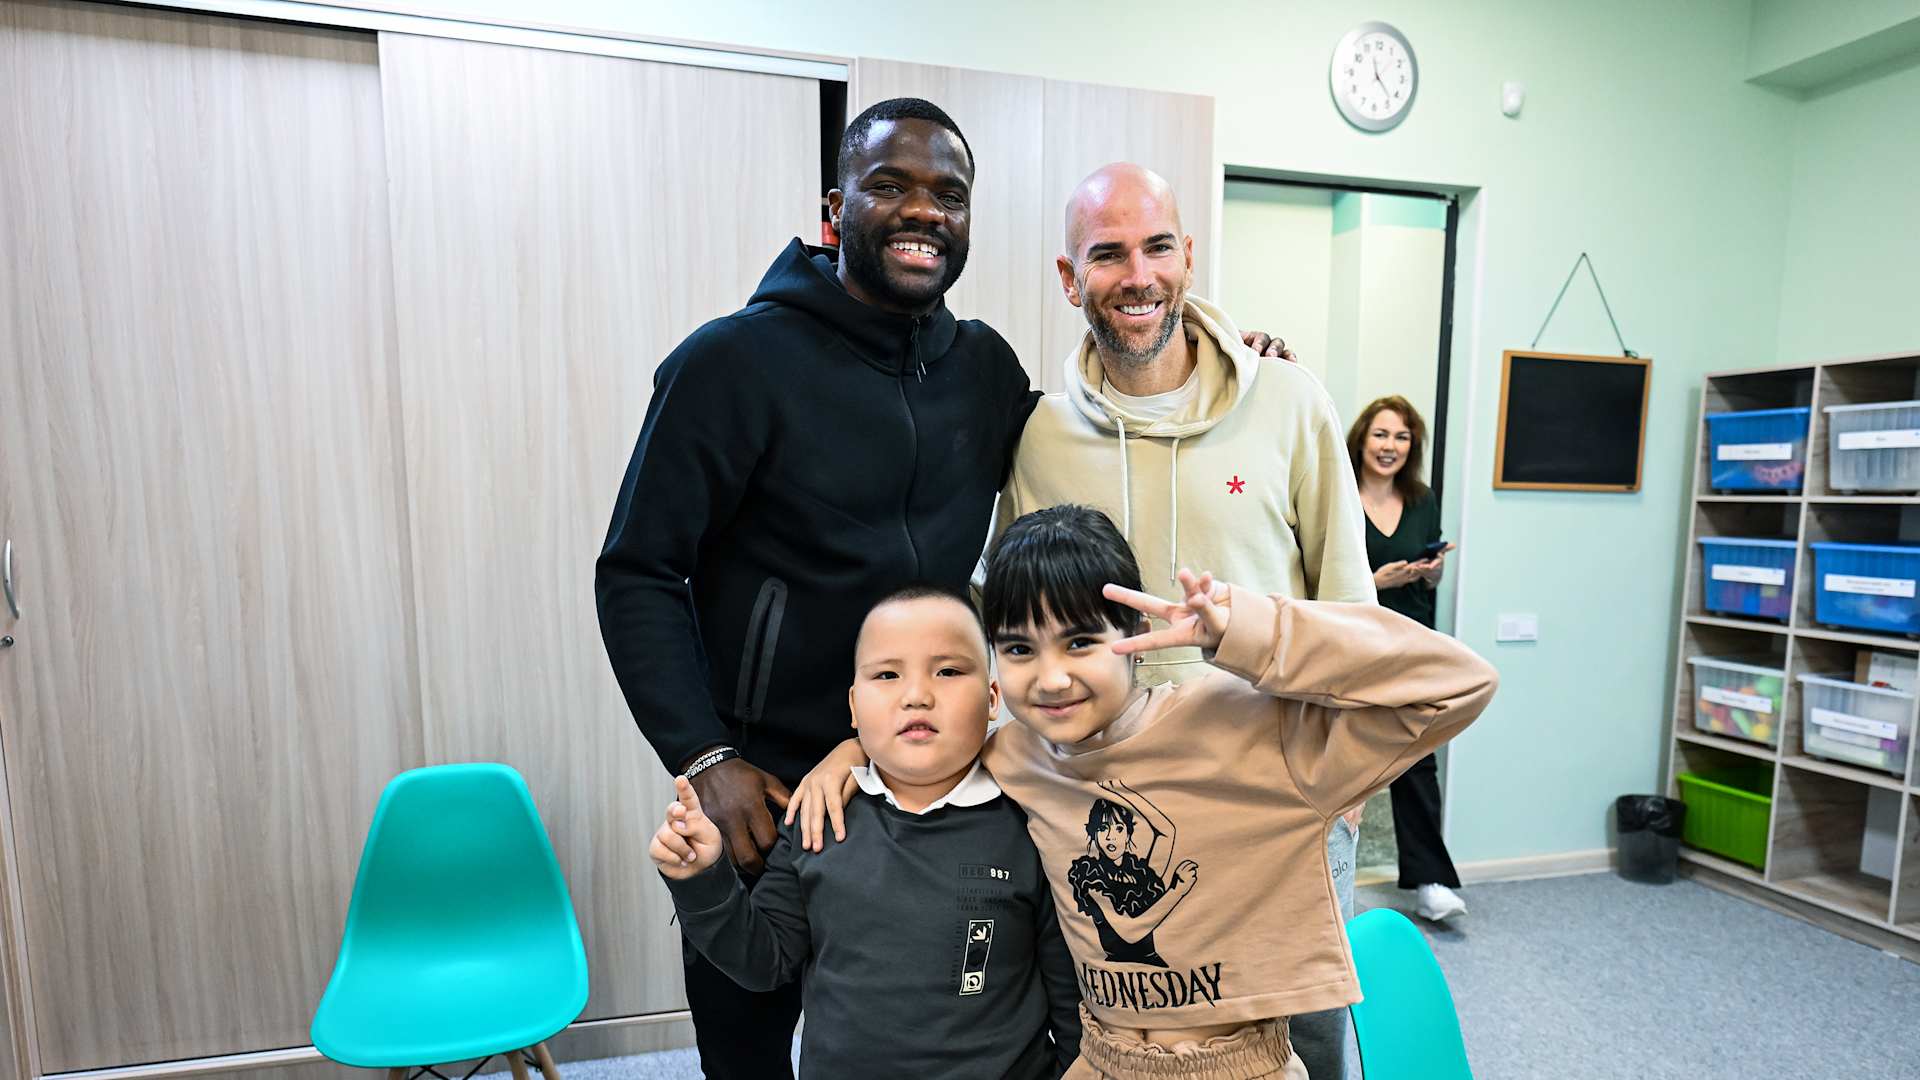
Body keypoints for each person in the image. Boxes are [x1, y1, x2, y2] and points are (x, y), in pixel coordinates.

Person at [596, 97, 1039, 1077]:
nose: (923, 210)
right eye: (891, 186)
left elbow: (1090, 439)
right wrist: (705, 756)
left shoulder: (988, 373)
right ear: (838, 208)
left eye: (948, 195)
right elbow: (636, 570)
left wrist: (1231, 362)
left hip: (928, 790)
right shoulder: (735, 362)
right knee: (752, 1048)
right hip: (765, 796)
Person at [792, 504, 1498, 1079]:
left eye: (1078, 643)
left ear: (1132, 634)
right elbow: (925, 738)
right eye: (1018, 648)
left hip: (1239, 1065)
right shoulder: (1018, 752)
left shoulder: (1245, 728)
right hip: (1100, 1060)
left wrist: (1254, 633)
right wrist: (847, 753)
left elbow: (1459, 685)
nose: (1051, 678)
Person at [992, 162, 1375, 1078]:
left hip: (1272, 792)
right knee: (1122, 1039)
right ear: (1068, 276)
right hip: (1106, 808)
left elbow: (1353, 613)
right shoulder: (1036, 434)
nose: (1138, 275)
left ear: (1188, 255)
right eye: (1108, 254)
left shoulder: (1290, 401)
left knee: (1304, 1040)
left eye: (1158, 246)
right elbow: (1009, 613)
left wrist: (1344, 798)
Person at [649, 584, 1080, 1079]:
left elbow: (1069, 1000)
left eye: (948, 671)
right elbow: (763, 962)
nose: (917, 695)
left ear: (991, 699)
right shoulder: (818, 818)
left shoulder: (1029, 825)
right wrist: (702, 878)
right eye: (888, 674)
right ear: (853, 706)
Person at [1349, 395, 1467, 922]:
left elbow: (1435, 574)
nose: (1390, 446)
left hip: (1413, 640)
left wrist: (1430, 571)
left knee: (1419, 759)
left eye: (1401, 437)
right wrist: (1375, 582)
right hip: (1355, 642)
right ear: (1362, 438)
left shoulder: (1422, 500)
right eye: (1381, 434)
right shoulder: (1340, 495)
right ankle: (1328, 881)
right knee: (1342, 761)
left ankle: (1431, 881)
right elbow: (1320, 573)